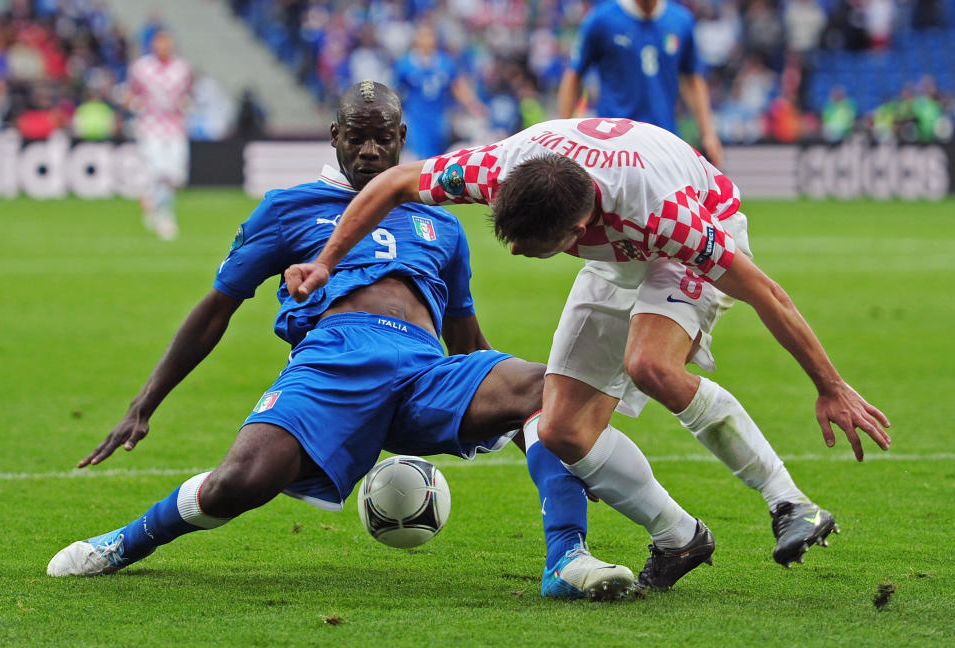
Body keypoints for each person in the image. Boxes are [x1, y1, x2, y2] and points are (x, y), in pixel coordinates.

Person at [46, 84, 651, 600]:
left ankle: (566, 560)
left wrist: (542, 442)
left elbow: (467, 339)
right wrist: (144, 404)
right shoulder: (288, 209)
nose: (369, 150)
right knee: (239, 482)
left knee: (548, 389)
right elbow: (215, 309)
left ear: (401, 136)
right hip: (334, 363)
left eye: (382, 138)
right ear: (334, 136)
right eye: (356, 137)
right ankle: (123, 543)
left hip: (423, 372)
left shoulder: (440, 221)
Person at [285, 117, 893, 581]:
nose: (518, 254)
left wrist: (829, 385)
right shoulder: (499, 168)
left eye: (534, 246)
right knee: (561, 430)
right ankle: (680, 537)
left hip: (697, 221)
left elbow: (767, 294)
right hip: (615, 243)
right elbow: (394, 182)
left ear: (578, 233)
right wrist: (324, 262)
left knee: (650, 364)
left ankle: (791, 504)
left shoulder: (667, 220)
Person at [556, 0, 723, 167]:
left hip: (664, 141)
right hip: (613, 145)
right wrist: (564, 134)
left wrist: (709, 134)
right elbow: (573, 75)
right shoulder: (601, 20)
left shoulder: (681, 20)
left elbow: (693, 80)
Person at [127, 28, 192, 241]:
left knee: (175, 175)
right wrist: (135, 104)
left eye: (166, 43)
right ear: (153, 45)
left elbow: (187, 96)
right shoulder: (141, 68)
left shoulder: (182, 68)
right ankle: (165, 216)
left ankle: (151, 202)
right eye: (159, 43)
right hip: (150, 126)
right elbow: (130, 93)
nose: (163, 47)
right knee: (159, 171)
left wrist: (186, 105)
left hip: (175, 127)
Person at [394, 23, 487, 160]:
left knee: (438, 157)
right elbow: (396, 92)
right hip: (416, 118)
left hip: (439, 117)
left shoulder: (445, 62)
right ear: (416, 39)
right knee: (420, 156)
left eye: (430, 36)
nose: (427, 40)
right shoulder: (404, 64)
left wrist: (474, 105)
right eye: (423, 36)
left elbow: (457, 87)